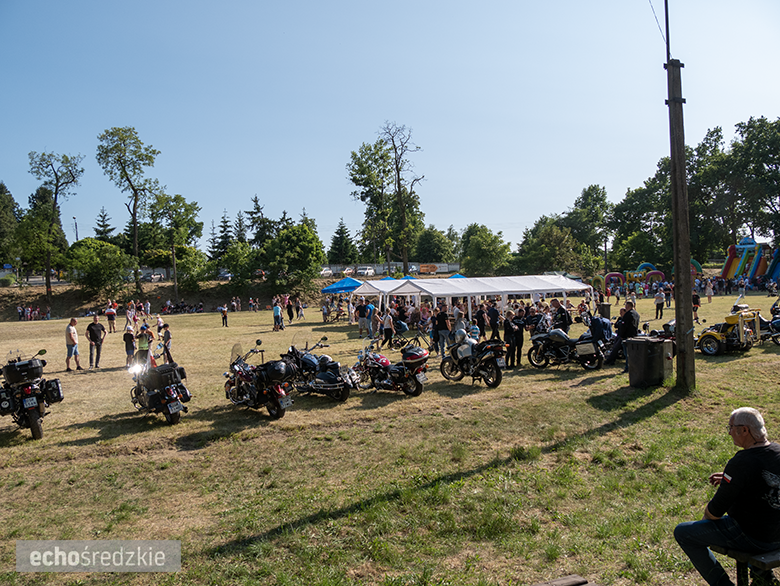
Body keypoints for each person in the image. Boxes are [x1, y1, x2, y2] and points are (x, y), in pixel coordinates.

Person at [675, 408, 780, 586]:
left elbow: (715, 511)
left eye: (731, 427)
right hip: (777, 534)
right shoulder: (777, 451)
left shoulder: (741, 462)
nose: (729, 432)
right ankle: (763, 577)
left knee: (684, 533)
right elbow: (763, 479)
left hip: (756, 538)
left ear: (744, 430)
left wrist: (703, 526)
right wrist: (731, 479)